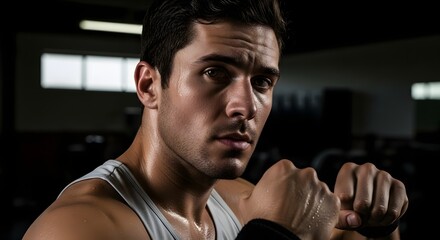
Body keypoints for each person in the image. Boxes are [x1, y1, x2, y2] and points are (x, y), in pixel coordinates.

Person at [23, 0, 409, 239]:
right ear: (149, 85)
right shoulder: (78, 228)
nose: (246, 106)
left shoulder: (246, 201)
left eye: (262, 81)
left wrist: (378, 225)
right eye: (215, 73)